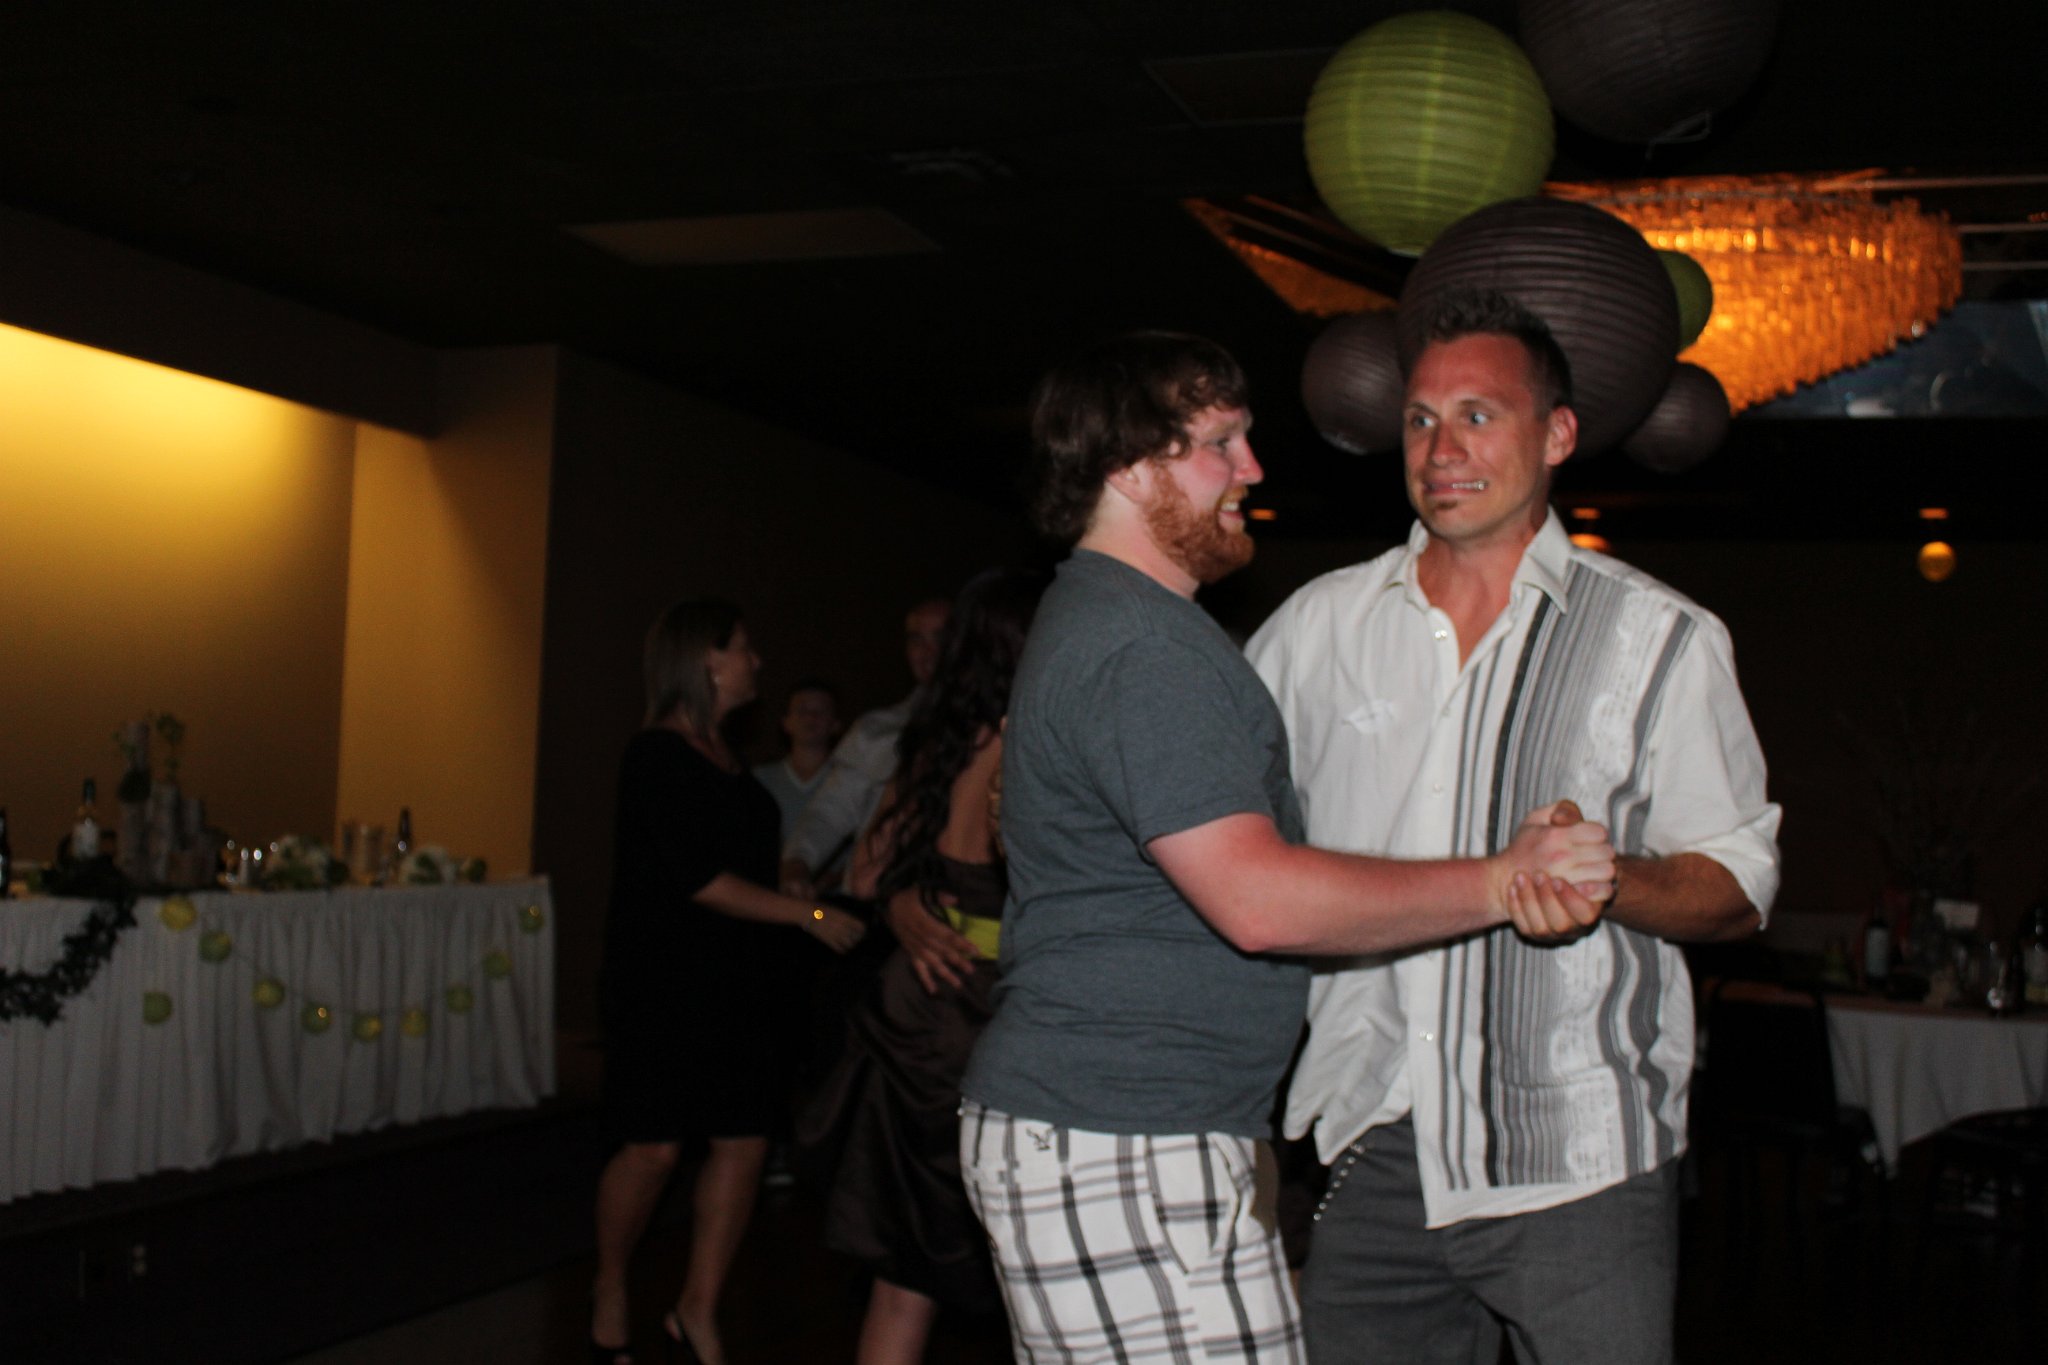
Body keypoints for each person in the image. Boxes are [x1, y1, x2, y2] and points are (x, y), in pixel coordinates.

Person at [957, 331, 1617, 1364]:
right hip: (1118, 1132)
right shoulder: (1140, 645)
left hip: (1129, 1130)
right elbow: (1257, 900)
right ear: (1128, 465)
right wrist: (1503, 879)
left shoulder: (1120, 624)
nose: (1253, 468)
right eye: (1220, 442)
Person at [1245, 289, 1783, 1365]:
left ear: (1557, 434)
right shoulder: (1319, 626)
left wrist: (1607, 879)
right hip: (1374, 1144)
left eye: (1478, 416)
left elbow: (1738, 884)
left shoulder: (1662, 638)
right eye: (1419, 419)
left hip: (1578, 1156)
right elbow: (1222, 823)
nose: (1440, 450)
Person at [589, 600, 865, 1365]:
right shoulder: (654, 756)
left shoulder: (729, 759)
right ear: (706, 660)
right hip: (662, 983)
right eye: (744, 647)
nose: (757, 661)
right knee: (654, 1149)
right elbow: (695, 877)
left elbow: (741, 866)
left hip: (739, 982)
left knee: (743, 1141)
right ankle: (609, 1281)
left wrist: (802, 885)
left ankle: (697, 1308)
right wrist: (808, 912)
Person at [802, 566, 1049, 1365]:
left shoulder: (945, 735)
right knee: (1035, 1261)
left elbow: (866, 872)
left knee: (906, 1271)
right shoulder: (1041, 740)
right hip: (990, 1015)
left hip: (922, 1005)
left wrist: (908, 902)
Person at [780, 599, 951, 897]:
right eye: (916, 640)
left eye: (941, 637)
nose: (928, 651)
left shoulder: (997, 730)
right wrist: (797, 863)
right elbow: (832, 810)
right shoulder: (878, 729)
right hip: (874, 902)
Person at [753, 679, 842, 844]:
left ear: (835, 724)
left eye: (821, 711)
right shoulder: (759, 780)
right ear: (786, 722)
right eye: (802, 710)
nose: (811, 717)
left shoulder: (851, 781)